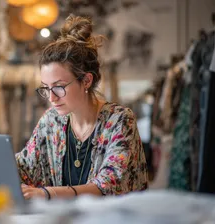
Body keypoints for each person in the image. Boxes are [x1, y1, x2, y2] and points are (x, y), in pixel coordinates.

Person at [15, 14, 148, 200]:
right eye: (46, 88)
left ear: (86, 81)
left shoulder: (119, 120)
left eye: (59, 87)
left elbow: (110, 184)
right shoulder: (51, 121)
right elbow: (24, 166)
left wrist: (47, 193)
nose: (51, 97)